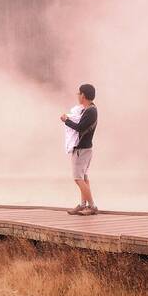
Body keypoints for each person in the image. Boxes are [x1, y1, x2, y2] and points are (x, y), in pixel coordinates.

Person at [60, 84, 98, 216]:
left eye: (79, 93)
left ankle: (92, 206)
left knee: (78, 178)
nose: (77, 96)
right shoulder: (88, 109)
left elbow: (80, 127)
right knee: (84, 177)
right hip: (86, 149)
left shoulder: (90, 111)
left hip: (82, 150)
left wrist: (66, 120)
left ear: (83, 95)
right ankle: (83, 205)